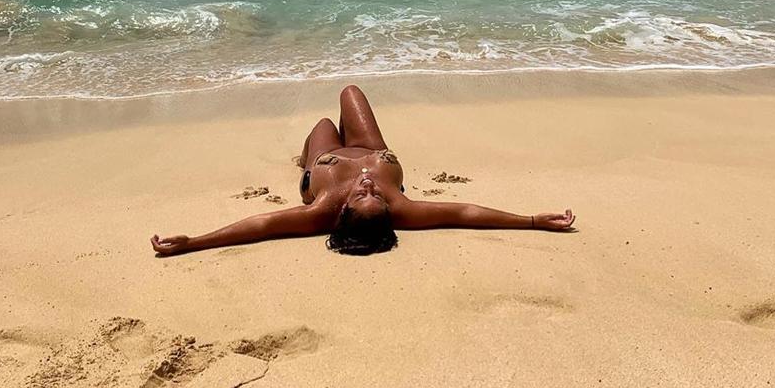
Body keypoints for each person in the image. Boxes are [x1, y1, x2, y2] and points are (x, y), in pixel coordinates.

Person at [150, 84, 575, 257]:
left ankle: (305, 158)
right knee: (350, 91)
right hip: (372, 149)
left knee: (322, 124)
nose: (369, 186)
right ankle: (337, 143)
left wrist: (194, 242)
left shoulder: (320, 212)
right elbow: (464, 213)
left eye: (361, 195)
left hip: (325, 163)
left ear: (342, 210)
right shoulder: (401, 208)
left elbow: (260, 225)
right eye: (376, 196)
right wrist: (532, 220)